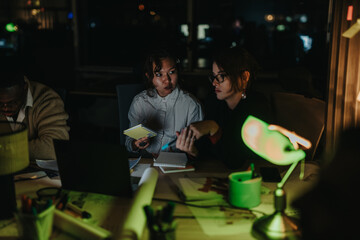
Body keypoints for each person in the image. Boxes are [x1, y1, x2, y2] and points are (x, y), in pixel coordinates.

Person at [176, 46, 272, 169]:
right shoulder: (213, 100)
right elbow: (207, 151)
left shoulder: (258, 105)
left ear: (244, 77)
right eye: (213, 76)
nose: (214, 83)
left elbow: (238, 161)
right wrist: (192, 150)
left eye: (221, 76)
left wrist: (214, 129)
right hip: (214, 174)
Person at [125, 48, 204, 155]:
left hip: (177, 164)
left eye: (171, 72)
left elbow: (198, 150)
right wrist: (136, 143)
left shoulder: (191, 105)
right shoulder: (140, 102)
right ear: (149, 76)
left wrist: (188, 150)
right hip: (147, 161)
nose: (167, 80)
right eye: (159, 74)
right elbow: (129, 143)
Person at [0, 69, 70, 161]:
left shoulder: (46, 99)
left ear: (25, 88)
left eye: (13, 102)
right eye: (0, 103)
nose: (5, 108)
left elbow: (53, 147)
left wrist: (6, 151)